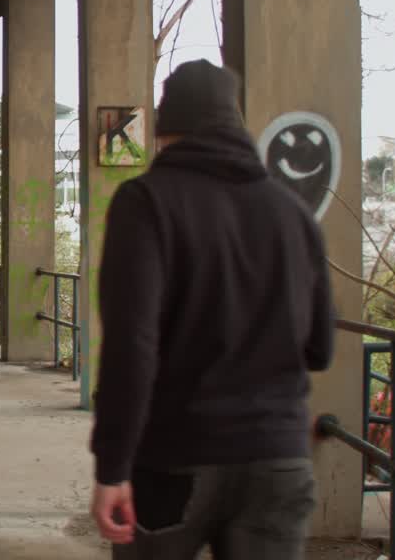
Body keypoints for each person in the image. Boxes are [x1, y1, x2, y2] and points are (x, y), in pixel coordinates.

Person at [88, 59, 335, 560]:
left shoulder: (146, 203)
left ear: (164, 127)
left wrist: (112, 468)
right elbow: (319, 348)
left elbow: (132, 347)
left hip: (174, 459)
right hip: (277, 459)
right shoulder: (293, 214)